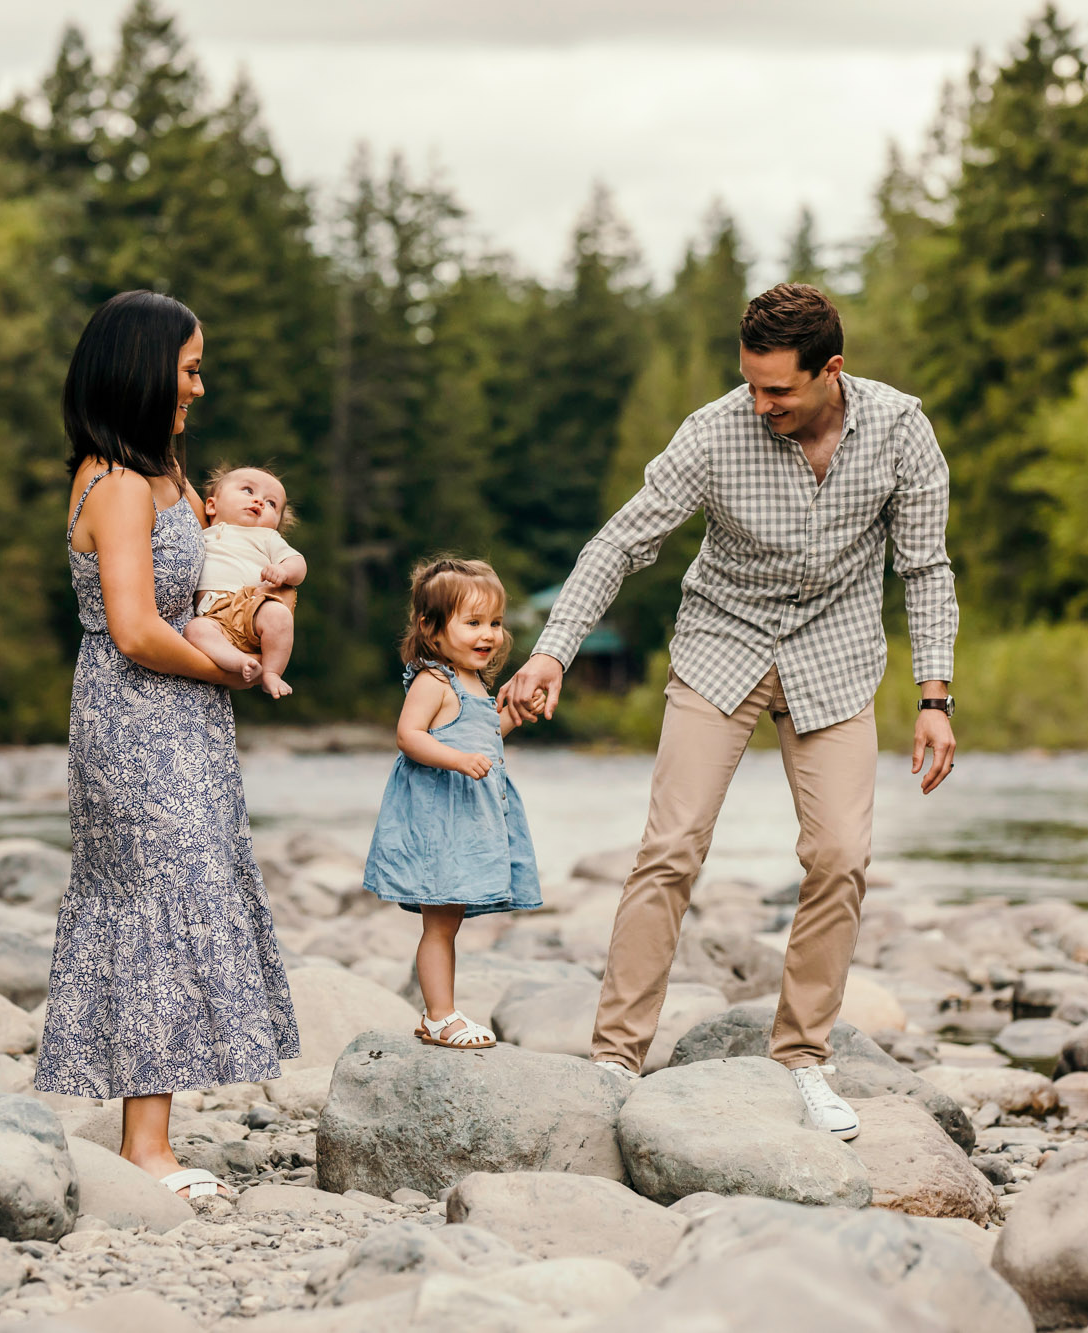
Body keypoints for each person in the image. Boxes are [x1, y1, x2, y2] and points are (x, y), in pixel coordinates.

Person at [499, 282, 959, 1140]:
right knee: (670, 846)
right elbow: (621, 540)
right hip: (723, 645)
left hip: (835, 654)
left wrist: (936, 697)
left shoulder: (900, 430)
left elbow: (925, 568)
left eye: (779, 389)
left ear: (833, 371)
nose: (763, 403)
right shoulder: (716, 431)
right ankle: (615, 1057)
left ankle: (802, 1060)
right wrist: (554, 648)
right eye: (751, 384)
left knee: (840, 854)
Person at [34, 291, 300, 1202]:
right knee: (151, 901)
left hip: (183, 716)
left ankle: (150, 1133)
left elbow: (220, 561)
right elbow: (138, 628)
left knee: (182, 890)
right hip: (135, 715)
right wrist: (225, 673)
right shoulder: (109, 483)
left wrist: (268, 596)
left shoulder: (167, 475)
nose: (200, 383)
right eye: (189, 367)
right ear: (146, 370)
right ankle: (146, 1150)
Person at [363, 557, 542, 1049]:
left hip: (466, 822)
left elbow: (486, 739)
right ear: (431, 628)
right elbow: (409, 736)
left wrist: (512, 716)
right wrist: (458, 760)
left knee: (449, 922)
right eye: (473, 622)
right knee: (440, 924)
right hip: (439, 822)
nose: (489, 634)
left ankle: (439, 1012)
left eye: (496, 623)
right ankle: (440, 1015)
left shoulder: (475, 684)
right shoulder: (433, 681)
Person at [183, 464, 305, 700]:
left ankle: (271, 673)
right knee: (195, 630)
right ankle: (239, 661)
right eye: (248, 491)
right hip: (213, 614)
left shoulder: (267, 537)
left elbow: (298, 564)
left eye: (271, 503)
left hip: (252, 606)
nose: (259, 501)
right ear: (211, 505)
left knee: (278, 615)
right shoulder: (200, 533)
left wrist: (283, 570)